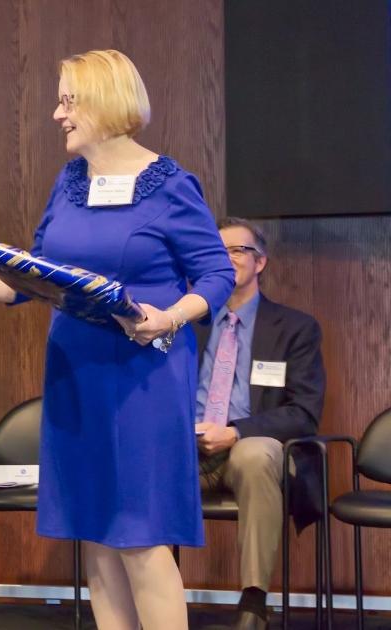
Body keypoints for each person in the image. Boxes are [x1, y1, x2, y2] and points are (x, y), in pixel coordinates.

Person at [0, 49, 235, 630]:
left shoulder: (170, 184)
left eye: (67, 100)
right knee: (94, 532)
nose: (56, 114)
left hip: (144, 375)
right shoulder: (70, 182)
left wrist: (168, 318)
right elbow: (35, 278)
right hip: (76, 372)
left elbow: (217, 274)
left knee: (142, 538)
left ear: (104, 102)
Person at [195, 217, 325, 630]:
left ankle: (253, 602)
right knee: (139, 456)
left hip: (251, 450)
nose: (227, 257)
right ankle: (143, 595)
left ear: (261, 262)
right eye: (219, 250)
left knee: (253, 453)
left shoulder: (295, 328)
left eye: (238, 250)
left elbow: (304, 412)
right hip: (188, 449)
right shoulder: (186, 324)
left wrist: (233, 432)